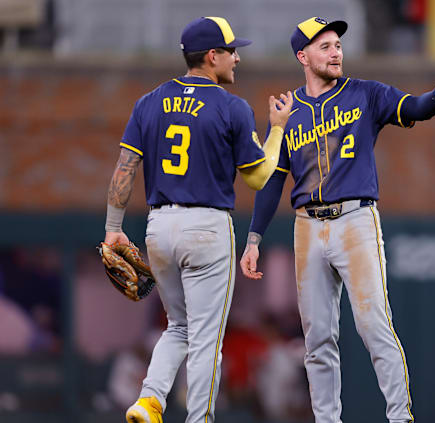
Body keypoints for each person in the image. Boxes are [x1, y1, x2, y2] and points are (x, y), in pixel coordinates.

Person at [239, 16, 435, 423]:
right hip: (307, 226)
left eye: (337, 45)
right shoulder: (287, 112)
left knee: (374, 326)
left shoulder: (365, 93)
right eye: (325, 46)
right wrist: (254, 237)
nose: (335, 51)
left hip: (355, 220)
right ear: (303, 56)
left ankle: (400, 417)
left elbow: (412, 107)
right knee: (317, 341)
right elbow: (273, 180)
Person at [102, 16, 293, 423]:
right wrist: (276, 130)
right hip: (206, 227)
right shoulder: (231, 106)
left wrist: (114, 229)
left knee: (178, 327)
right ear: (212, 56)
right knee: (207, 337)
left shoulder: (149, 101)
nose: (237, 58)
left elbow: (124, 167)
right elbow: (258, 177)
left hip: (159, 226)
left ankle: (150, 400)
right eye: (231, 50)